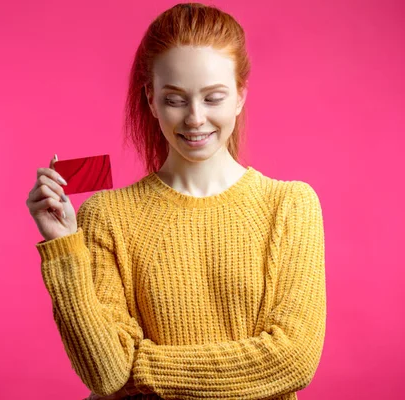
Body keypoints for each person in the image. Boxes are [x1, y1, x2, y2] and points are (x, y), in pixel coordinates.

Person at [26, 3, 326, 399]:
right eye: (175, 99)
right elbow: (105, 373)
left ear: (239, 96)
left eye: (213, 97)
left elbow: (292, 361)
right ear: (150, 99)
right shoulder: (107, 215)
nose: (195, 119)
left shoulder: (290, 206)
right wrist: (62, 245)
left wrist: (141, 367)